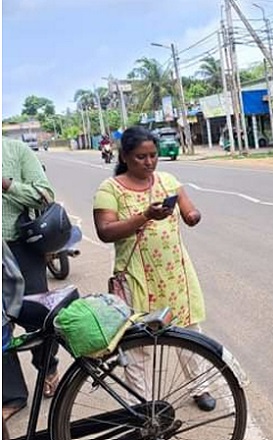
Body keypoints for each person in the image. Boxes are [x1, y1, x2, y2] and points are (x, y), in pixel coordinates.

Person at [92, 126, 215, 411]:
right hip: (136, 278)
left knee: (188, 334)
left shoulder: (168, 180)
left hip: (174, 273)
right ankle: (142, 405)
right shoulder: (110, 189)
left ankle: (200, 387)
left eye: (153, 156)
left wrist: (193, 216)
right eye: (140, 157)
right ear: (124, 156)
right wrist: (145, 216)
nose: (148, 162)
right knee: (138, 345)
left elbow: (189, 211)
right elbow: (105, 230)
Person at [2, 137, 60, 419]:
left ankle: (48, 367)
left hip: (20, 248)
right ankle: (13, 395)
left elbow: (45, 195)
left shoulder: (16, 150)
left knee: (38, 316)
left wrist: (7, 185)